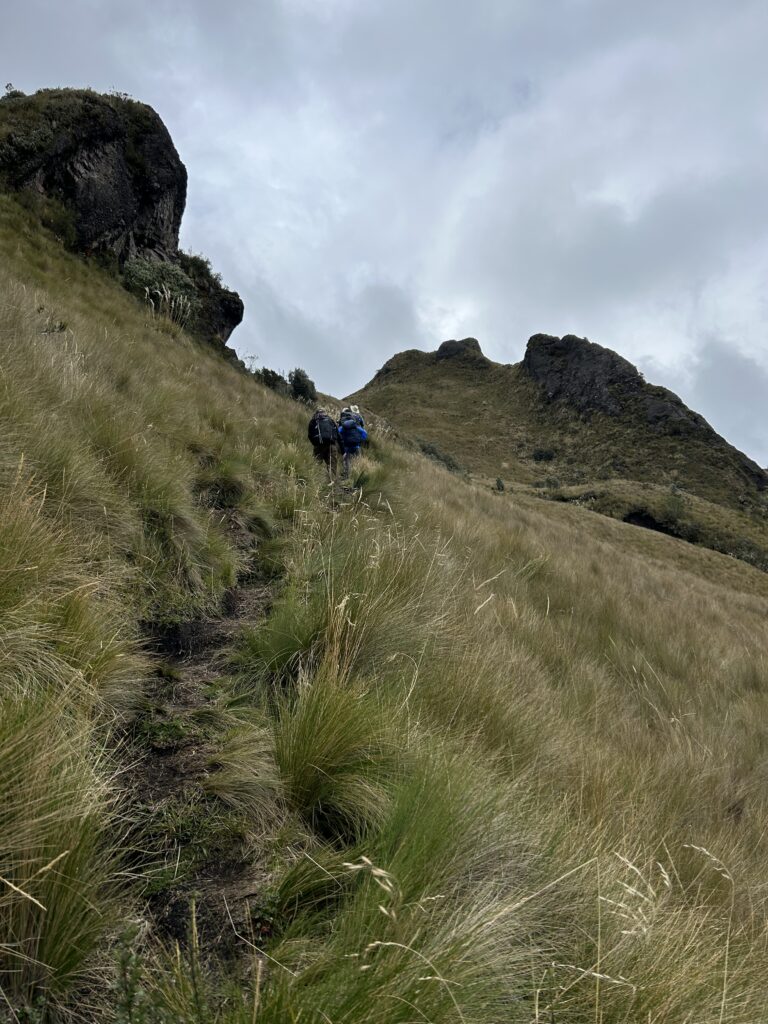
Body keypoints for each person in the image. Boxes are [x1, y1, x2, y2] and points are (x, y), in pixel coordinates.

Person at [338, 407, 368, 477]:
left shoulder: (343, 426)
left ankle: (347, 474)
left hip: (346, 446)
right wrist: (360, 440)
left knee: (346, 460)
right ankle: (357, 474)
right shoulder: (356, 425)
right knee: (358, 459)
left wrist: (342, 440)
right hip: (356, 445)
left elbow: (338, 433)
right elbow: (365, 433)